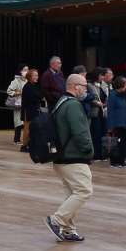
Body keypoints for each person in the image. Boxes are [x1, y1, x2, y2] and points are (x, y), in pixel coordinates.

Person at [45, 73, 94, 242]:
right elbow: (80, 132)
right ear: (76, 86)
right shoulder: (73, 105)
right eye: (85, 86)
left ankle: (68, 229)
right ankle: (56, 220)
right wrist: (89, 150)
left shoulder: (61, 102)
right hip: (73, 157)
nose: (86, 90)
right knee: (84, 190)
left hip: (61, 157)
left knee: (71, 193)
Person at [106, 75, 126, 167]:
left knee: (124, 143)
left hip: (125, 123)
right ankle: (114, 162)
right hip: (116, 124)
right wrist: (110, 126)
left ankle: (122, 160)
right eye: (125, 85)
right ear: (120, 85)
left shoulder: (122, 96)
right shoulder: (113, 96)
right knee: (115, 143)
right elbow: (110, 112)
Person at [87, 68, 112, 161]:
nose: (102, 77)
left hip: (104, 111)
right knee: (96, 133)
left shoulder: (104, 85)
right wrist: (96, 103)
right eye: (101, 75)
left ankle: (103, 154)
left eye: (103, 75)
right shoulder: (90, 85)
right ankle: (95, 154)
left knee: (104, 132)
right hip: (95, 111)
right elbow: (89, 98)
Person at [18, 68, 43, 151]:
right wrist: (37, 97)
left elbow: (40, 95)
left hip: (35, 109)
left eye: (37, 76)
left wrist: (38, 97)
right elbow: (33, 98)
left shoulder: (35, 86)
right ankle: (25, 145)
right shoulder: (27, 86)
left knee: (34, 127)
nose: (36, 77)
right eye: (34, 76)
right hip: (28, 110)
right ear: (30, 77)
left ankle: (32, 143)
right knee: (27, 128)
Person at [7, 65, 29, 143]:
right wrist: (17, 93)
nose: (27, 71)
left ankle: (27, 140)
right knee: (18, 123)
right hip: (18, 104)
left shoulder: (28, 80)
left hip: (27, 104)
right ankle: (16, 140)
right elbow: (9, 91)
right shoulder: (16, 81)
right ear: (20, 71)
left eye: (28, 70)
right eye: (25, 70)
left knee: (27, 122)